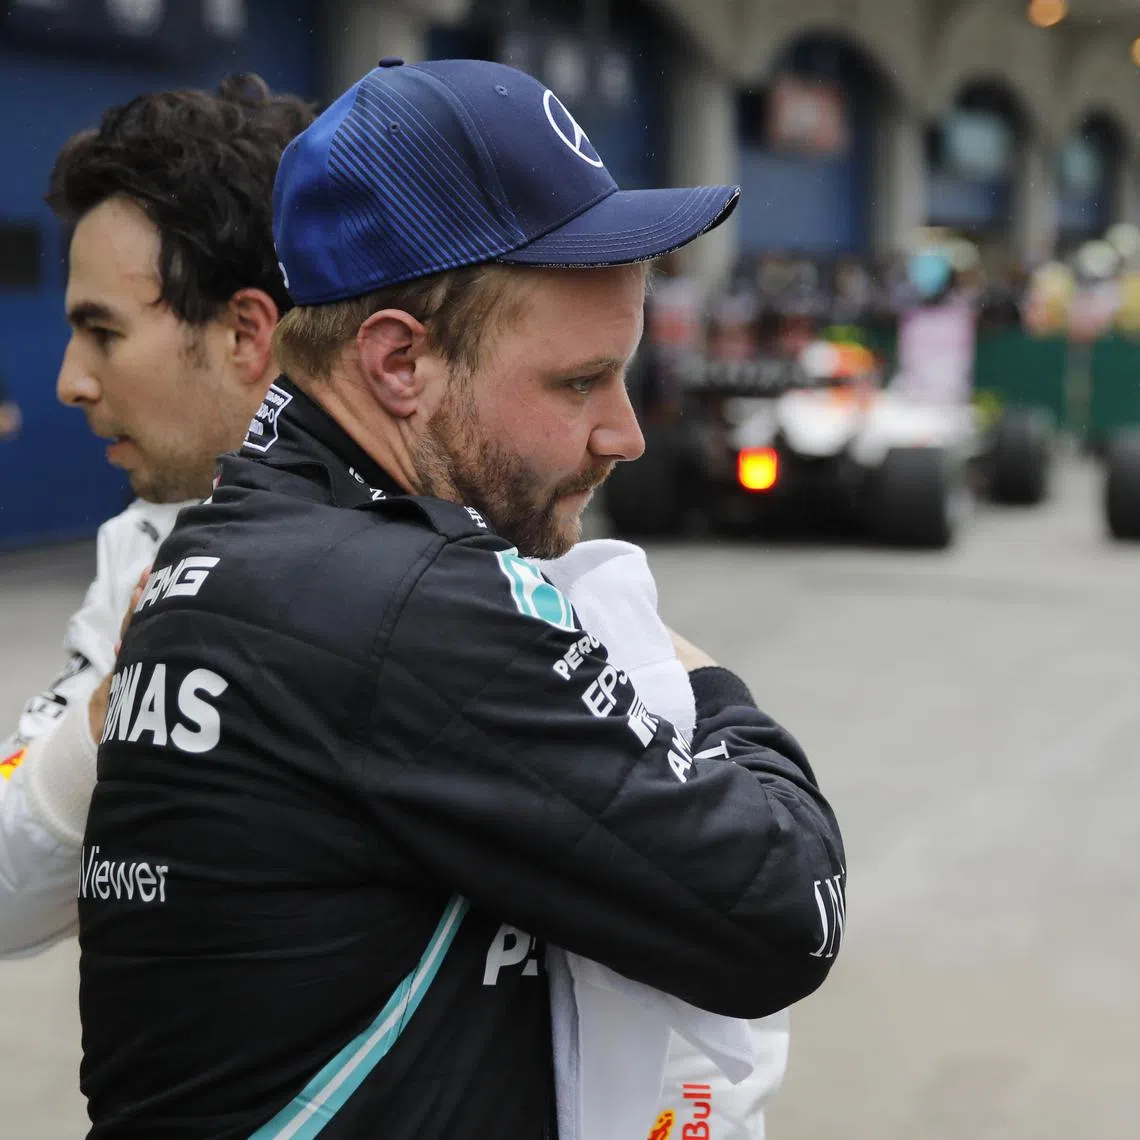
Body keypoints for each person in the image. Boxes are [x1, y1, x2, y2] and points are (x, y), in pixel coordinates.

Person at [79, 58, 846, 1139]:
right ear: (398, 362)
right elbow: (787, 912)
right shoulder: (400, 601)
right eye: (579, 381)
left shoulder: (225, 552)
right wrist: (688, 673)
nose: (623, 433)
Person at [0, 74, 315, 956]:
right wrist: (118, 703)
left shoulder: (460, 542)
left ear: (249, 334)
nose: (70, 381)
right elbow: (2, 894)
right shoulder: (144, 556)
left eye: (102, 332)